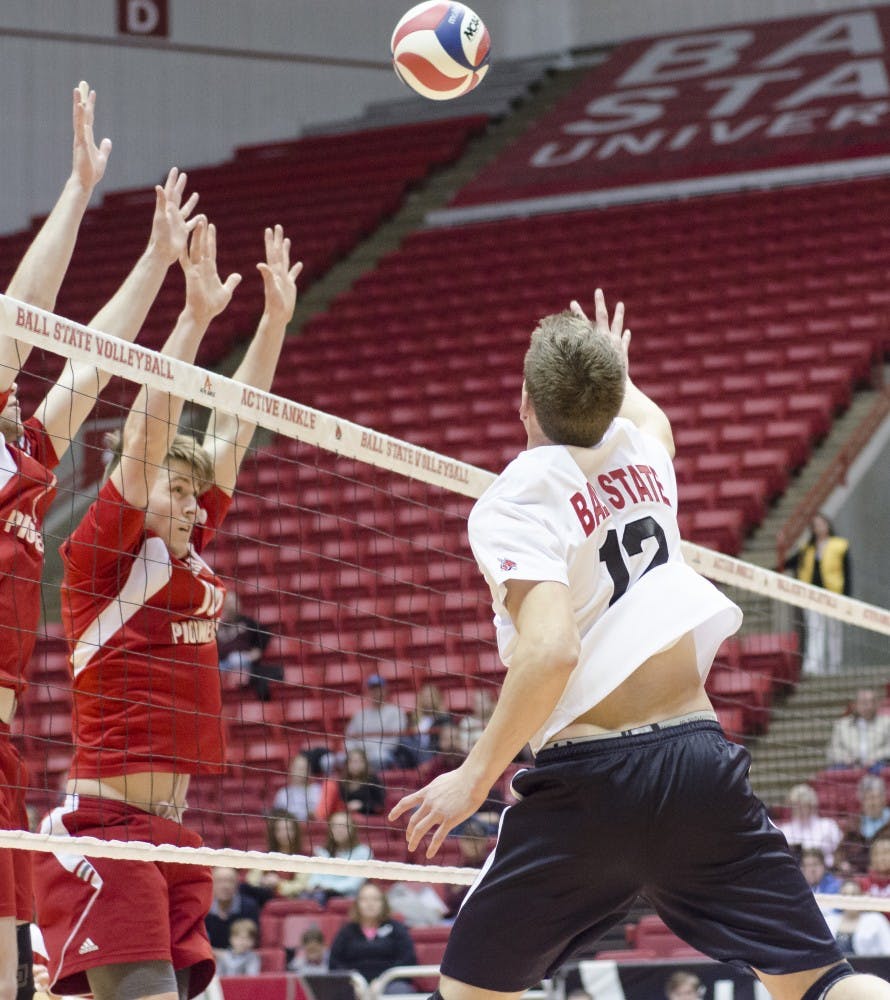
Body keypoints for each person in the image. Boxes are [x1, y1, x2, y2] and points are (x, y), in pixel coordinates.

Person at [390, 291, 890, 1000]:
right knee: (817, 983)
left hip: (591, 782)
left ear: (524, 403)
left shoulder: (514, 498)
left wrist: (471, 779)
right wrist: (614, 374)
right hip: (697, 762)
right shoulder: (646, 454)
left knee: (471, 991)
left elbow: (551, 650)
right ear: (612, 395)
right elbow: (647, 414)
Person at [33, 220, 301, 1000]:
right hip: (106, 833)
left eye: (193, 493)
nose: (188, 504)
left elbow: (231, 428)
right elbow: (148, 437)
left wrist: (274, 321)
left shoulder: (185, 551)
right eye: (173, 492)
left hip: (175, 836)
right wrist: (191, 320)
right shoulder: (102, 557)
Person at [0, 85, 202, 1000]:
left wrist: (159, 259)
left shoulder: (25, 451)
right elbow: (24, 313)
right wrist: (78, 193)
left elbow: (92, 360)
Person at [787, 514, 850, 675]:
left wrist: (847, 597)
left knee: (834, 631)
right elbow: (790, 563)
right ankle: (815, 666)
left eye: (822, 523)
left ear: (828, 525)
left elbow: (847, 572)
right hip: (812, 596)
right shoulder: (807, 548)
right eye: (815, 525)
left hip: (833, 595)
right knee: (815, 630)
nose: (819, 527)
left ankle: (835, 665)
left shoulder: (840, 545)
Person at [327, 883, 416, 992]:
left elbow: (408, 959)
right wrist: (354, 982)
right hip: (354, 985)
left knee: (400, 990)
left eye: (375, 899)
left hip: (391, 983)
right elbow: (334, 963)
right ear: (357, 904)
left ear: (384, 903)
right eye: (364, 899)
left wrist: (383, 981)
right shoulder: (346, 931)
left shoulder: (397, 928)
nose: (370, 904)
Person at [216, 590, 278, 700]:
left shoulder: (247, 622)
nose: (230, 607)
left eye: (233, 603)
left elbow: (264, 634)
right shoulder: (215, 624)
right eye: (227, 603)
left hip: (240, 662)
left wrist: (257, 651)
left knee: (236, 658)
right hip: (219, 665)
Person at [302, 811, 372, 903]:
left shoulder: (363, 852)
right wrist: (316, 887)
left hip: (348, 898)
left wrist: (329, 887)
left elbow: (355, 883)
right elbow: (314, 879)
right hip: (321, 894)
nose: (339, 830)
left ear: (352, 829)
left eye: (343, 826)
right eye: (335, 826)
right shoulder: (322, 852)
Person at [344, 675, 408, 771]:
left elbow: (394, 742)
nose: (376, 692)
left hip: (385, 753)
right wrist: (355, 753)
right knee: (329, 761)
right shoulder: (360, 715)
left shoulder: (396, 712)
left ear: (385, 690)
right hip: (359, 754)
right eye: (373, 689)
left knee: (377, 758)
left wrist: (367, 751)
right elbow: (349, 738)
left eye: (379, 689)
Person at [244, 810, 309, 901]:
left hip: (291, 900)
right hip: (265, 898)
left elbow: (302, 885)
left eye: (288, 829)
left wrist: (278, 884)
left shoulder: (303, 858)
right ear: (274, 833)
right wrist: (263, 880)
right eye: (280, 830)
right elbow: (251, 880)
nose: (284, 834)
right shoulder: (266, 855)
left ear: (295, 832)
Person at [779, 784, 843, 867]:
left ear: (812, 805)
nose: (799, 809)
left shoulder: (828, 826)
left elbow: (840, 852)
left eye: (803, 805)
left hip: (827, 871)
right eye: (795, 805)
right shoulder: (784, 830)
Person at [826, 690, 890, 772]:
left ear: (877, 704)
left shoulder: (887, 722)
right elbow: (833, 749)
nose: (869, 706)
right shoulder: (841, 725)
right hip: (848, 764)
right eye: (864, 703)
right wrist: (846, 758)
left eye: (872, 702)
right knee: (833, 772)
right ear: (854, 705)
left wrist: (874, 757)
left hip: (879, 763)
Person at [824, 881, 890, 957]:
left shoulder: (876, 920)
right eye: (845, 895)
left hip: (869, 968)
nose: (849, 899)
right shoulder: (829, 921)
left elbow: (888, 950)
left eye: (854, 894)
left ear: (861, 896)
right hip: (837, 968)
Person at [205, 869, 261, 952]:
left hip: (240, 958)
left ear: (237, 884)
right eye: (219, 881)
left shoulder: (249, 906)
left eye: (230, 881)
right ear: (211, 884)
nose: (225, 886)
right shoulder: (203, 907)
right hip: (209, 956)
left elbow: (252, 939)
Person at [403, 684, 452, 764]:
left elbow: (443, 742)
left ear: (438, 698)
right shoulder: (412, 719)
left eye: (430, 696)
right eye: (424, 696)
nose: (427, 699)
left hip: (434, 754)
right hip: (413, 755)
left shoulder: (444, 719)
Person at [271, 752, 324, 821]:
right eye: (297, 768)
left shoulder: (318, 790)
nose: (301, 772)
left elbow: (322, 814)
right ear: (291, 770)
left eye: (304, 768)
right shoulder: (283, 794)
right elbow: (278, 818)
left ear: (309, 771)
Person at [857, 775, 890, 842]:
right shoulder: (855, 824)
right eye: (866, 799)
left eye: (874, 798)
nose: (871, 803)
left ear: (883, 798)